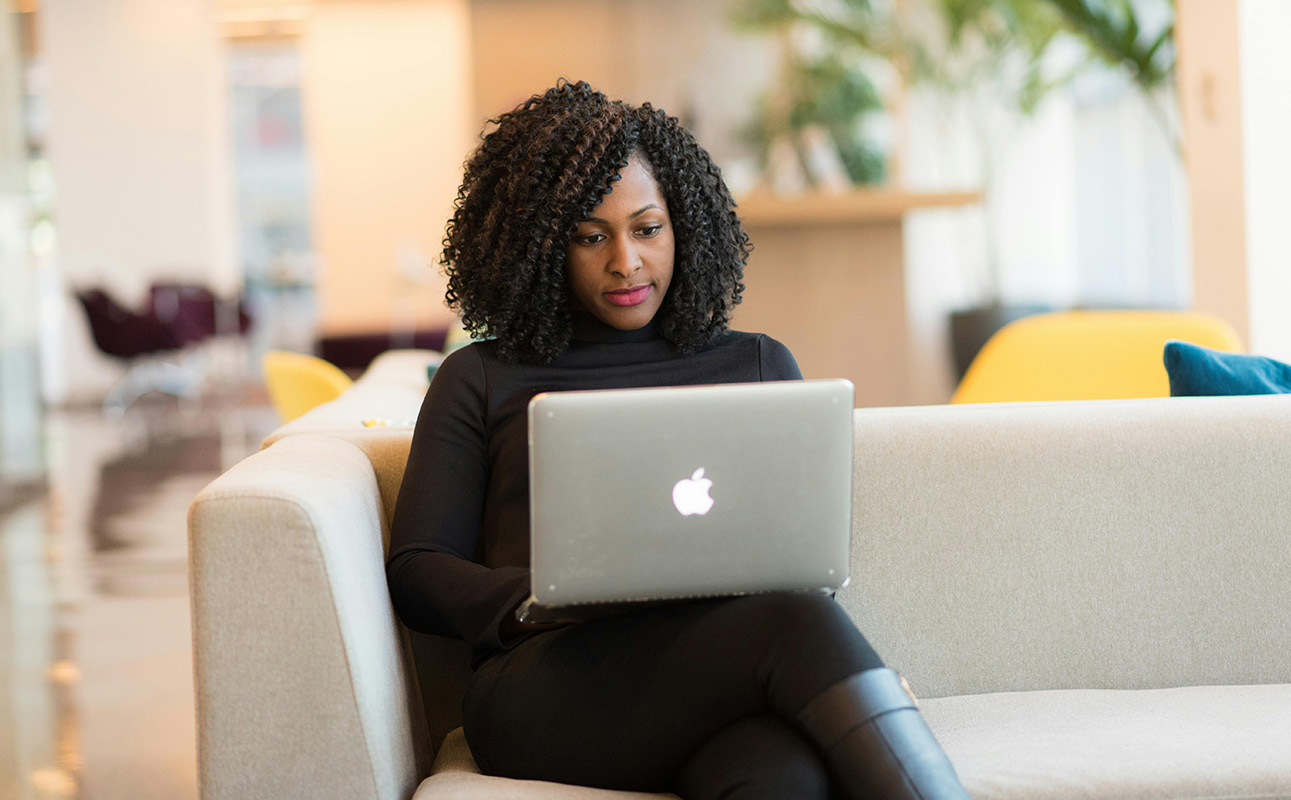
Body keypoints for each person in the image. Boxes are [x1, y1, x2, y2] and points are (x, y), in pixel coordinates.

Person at [387, 80, 971, 800]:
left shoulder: (758, 364)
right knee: (799, 628)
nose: (626, 262)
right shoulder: (480, 376)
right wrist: (536, 599)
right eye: (590, 236)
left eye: (648, 228)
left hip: (725, 670)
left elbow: (795, 548)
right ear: (540, 247)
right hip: (548, 683)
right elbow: (418, 568)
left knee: (778, 772)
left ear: (683, 226)